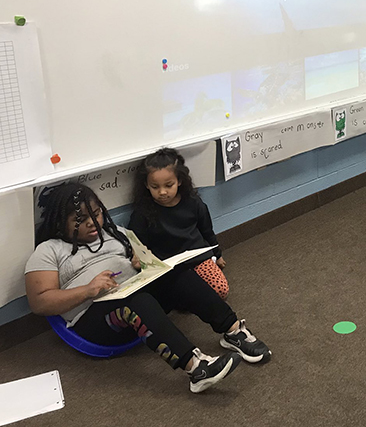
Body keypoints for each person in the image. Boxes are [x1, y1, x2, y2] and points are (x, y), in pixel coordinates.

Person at [25, 184, 270, 393]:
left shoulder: (116, 233)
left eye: (97, 213)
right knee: (136, 302)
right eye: (81, 220)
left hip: (135, 295)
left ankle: (234, 331)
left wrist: (143, 262)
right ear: (60, 222)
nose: (93, 223)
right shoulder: (49, 250)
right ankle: (197, 369)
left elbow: (145, 259)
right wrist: (88, 290)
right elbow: (39, 303)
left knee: (178, 275)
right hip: (96, 318)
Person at [128, 148, 229, 299]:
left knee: (220, 290)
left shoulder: (193, 203)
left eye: (169, 185)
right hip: (167, 265)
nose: (162, 192)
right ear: (146, 185)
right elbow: (137, 243)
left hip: (197, 258)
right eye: (155, 187)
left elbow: (207, 230)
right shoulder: (142, 212)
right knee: (161, 297)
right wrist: (138, 257)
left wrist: (217, 254)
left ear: (179, 181)